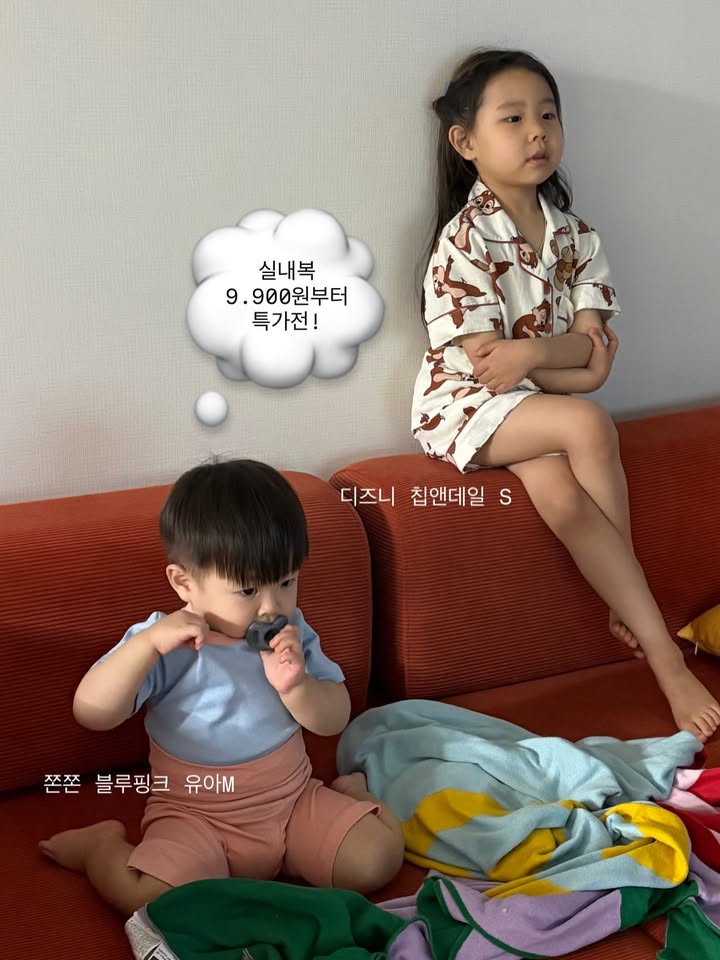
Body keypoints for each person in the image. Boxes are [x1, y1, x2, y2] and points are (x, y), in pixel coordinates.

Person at [411, 47, 720, 741]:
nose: (537, 132)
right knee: (586, 423)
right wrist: (563, 366)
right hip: (463, 408)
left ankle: (626, 603)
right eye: (513, 118)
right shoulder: (463, 239)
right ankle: (661, 648)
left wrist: (536, 356)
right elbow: (495, 368)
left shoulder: (578, 237)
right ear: (465, 142)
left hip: (527, 408)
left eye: (547, 115)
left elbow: (590, 348)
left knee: (562, 494)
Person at [39, 459, 404, 916]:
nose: (272, 607)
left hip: (291, 802)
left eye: (287, 581)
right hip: (195, 815)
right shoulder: (166, 641)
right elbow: (91, 712)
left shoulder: (292, 633)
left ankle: (353, 795)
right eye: (248, 591)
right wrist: (146, 648)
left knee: (378, 858)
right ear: (184, 583)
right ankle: (100, 847)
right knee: (151, 900)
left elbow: (335, 718)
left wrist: (297, 688)